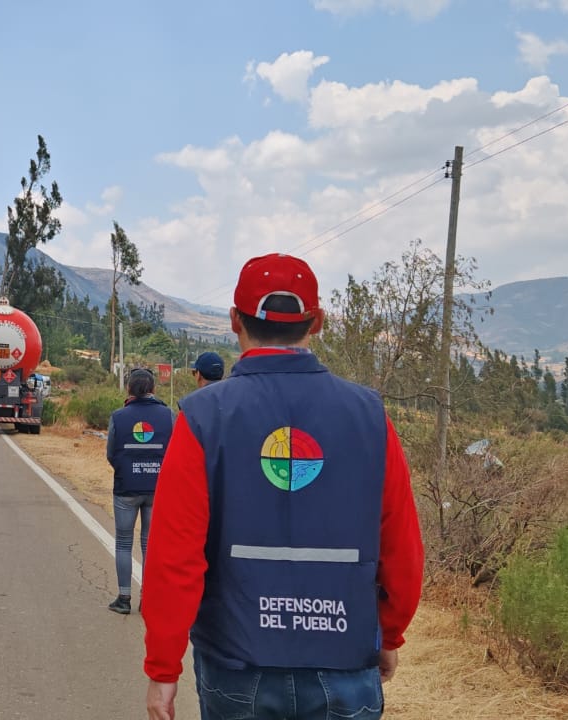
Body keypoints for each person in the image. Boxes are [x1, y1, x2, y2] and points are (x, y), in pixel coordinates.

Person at [142, 253, 423, 720]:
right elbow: (403, 549)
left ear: (234, 320)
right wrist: (388, 635)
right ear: (317, 321)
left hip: (238, 665)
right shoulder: (370, 416)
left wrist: (163, 668)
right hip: (346, 663)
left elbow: (175, 556)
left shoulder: (203, 416)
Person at [105, 368, 174, 614]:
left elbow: (110, 454)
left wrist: (126, 469)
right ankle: (148, 598)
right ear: (153, 389)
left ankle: (124, 599)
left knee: (124, 542)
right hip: (157, 488)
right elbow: (175, 453)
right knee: (150, 544)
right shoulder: (169, 415)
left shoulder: (118, 416)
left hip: (126, 488)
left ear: (129, 389)